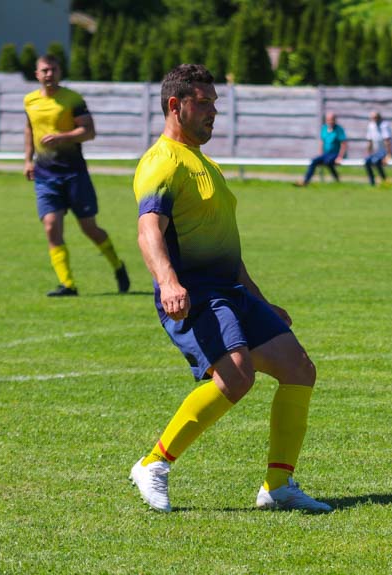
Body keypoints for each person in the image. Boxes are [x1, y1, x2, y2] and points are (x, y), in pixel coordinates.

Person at [129, 64, 331, 514]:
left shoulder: (205, 163)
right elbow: (149, 231)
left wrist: (261, 302)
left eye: (215, 104)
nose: (213, 112)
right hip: (195, 294)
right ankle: (153, 464)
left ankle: (277, 487)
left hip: (231, 291)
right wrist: (168, 282)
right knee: (236, 376)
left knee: (299, 368)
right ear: (175, 106)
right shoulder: (161, 162)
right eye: (203, 103)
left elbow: (227, 250)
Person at [23, 54, 130, 297]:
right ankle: (67, 284)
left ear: (60, 72)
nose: (49, 74)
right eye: (44, 70)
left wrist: (62, 137)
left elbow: (89, 131)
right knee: (51, 227)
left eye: (53, 69)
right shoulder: (29, 101)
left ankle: (118, 265)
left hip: (74, 174)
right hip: (45, 175)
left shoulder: (72, 99)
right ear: (36, 74)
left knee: (90, 228)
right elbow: (29, 130)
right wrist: (28, 160)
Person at [294, 112, 347, 186]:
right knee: (314, 161)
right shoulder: (324, 128)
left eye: (332, 120)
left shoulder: (339, 129)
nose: (330, 121)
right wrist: (320, 154)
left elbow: (343, 144)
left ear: (335, 120)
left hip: (335, 153)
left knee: (328, 161)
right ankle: (305, 181)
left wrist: (340, 157)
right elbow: (322, 142)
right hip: (326, 154)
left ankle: (337, 179)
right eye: (328, 120)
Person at [364, 111, 392, 186]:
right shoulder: (371, 126)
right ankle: (372, 182)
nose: (374, 119)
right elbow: (370, 141)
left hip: (388, 152)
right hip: (378, 152)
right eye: (373, 118)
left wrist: (388, 155)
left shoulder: (384, 126)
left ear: (379, 117)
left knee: (377, 161)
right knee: (367, 161)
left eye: (376, 118)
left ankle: (384, 180)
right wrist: (368, 154)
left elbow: (387, 142)